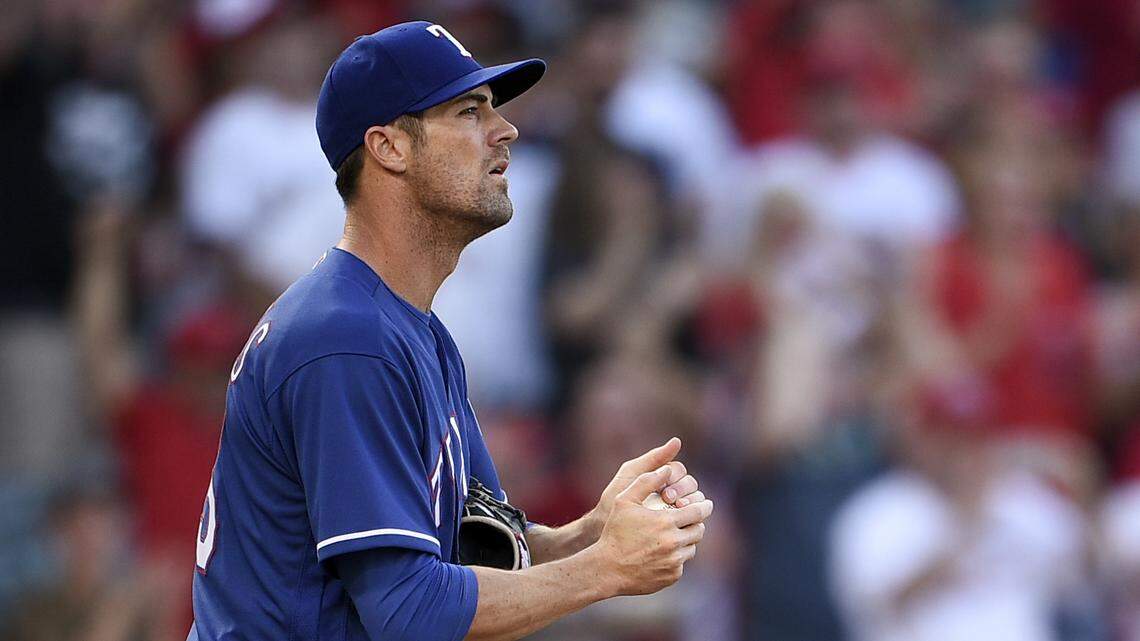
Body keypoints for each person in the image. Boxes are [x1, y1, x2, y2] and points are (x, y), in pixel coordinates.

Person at [187, 21, 713, 641]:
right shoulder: (345, 340)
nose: (505, 130)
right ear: (389, 148)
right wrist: (605, 570)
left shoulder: (411, 329)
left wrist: (588, 532)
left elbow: (480, 552)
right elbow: (411, 613)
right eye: (468, 112)